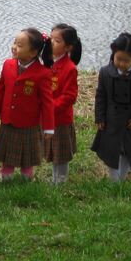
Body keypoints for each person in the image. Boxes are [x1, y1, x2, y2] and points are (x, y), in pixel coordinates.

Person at [0, 28, 55, 181]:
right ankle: (6, 180)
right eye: (14, 43)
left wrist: (49, 127)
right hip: (8, 120)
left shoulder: (43, 74)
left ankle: (26, 182)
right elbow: (0, 92)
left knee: (27, 159)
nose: (14, 47)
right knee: (7, 157)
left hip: (29, 124)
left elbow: (47, 103)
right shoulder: (8, 65)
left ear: (33, 52)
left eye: (20, 45)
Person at [91, 33, 131, 182]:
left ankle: (122, 176)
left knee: (128, 151)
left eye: (127, 61)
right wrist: (99, 117)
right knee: (111, 151)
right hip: (111, 120)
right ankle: (114, 180)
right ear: (113, 54)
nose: (122, 64)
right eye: (118, 59)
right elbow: (101, 96)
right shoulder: (105, 72)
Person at [46, 24, 82, 184]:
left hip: (60, 119)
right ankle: (55, 179)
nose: (51, 42)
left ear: (68, 47)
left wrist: (50, 107)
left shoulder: (69, 68)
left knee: (61, 153)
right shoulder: (47, 62)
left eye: (57, 40)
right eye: (51, 38)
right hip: (49, 117)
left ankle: (61, 180)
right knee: (53, 152)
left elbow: (69, 97)